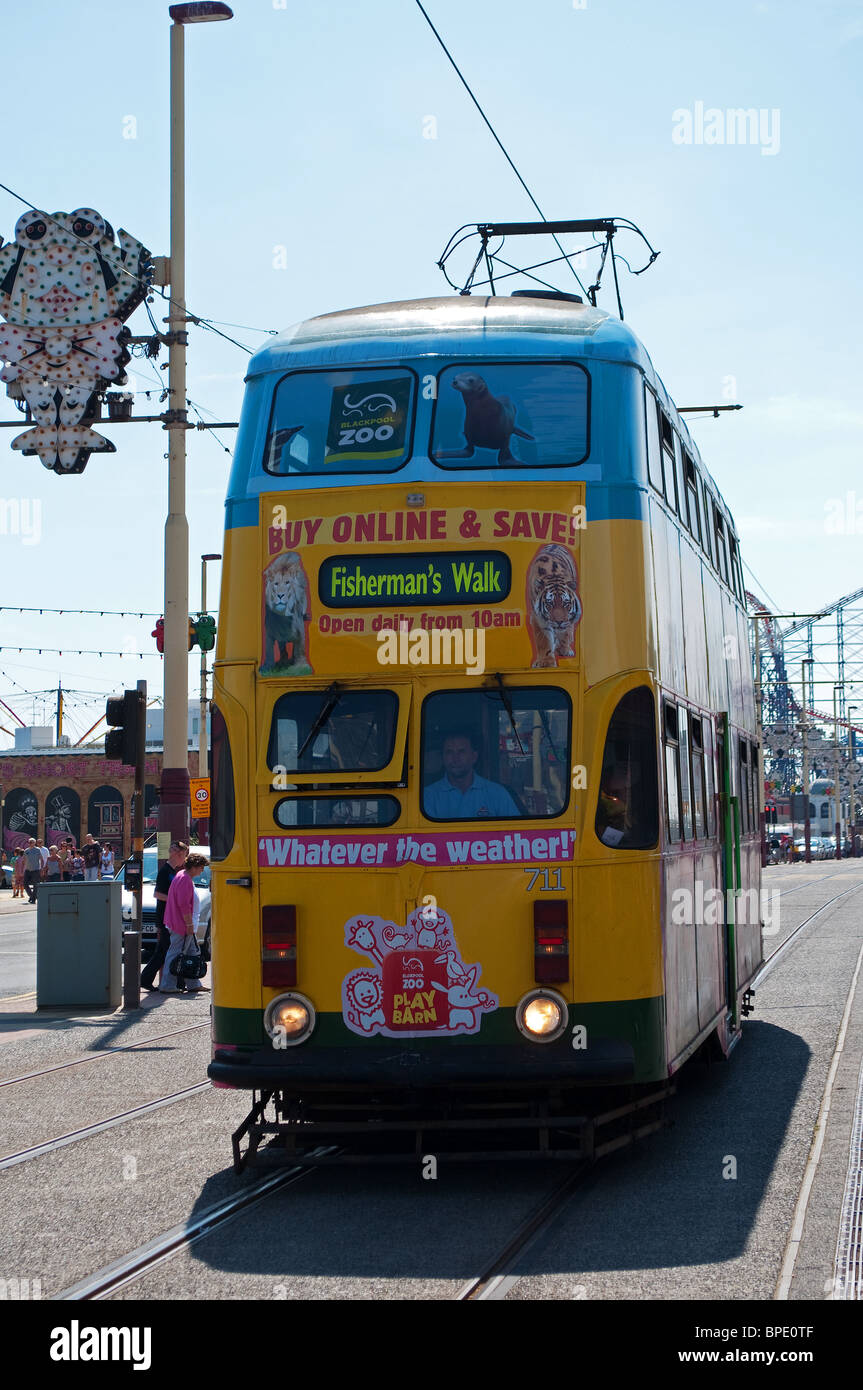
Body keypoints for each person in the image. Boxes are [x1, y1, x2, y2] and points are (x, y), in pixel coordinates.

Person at [423, 729, 519, 819]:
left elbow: (516, 832)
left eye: (461, 752)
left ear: (474, 756)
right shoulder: (428, 796)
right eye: (449, 752)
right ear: (443, 758)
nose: (455, 758)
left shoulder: (498, 793)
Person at [140, 841, 188, 993]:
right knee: (169, 950)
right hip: (165, 916)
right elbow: (157, 894)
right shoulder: (165, 871)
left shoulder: (172, 871)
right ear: (178, 854)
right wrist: (175, 900)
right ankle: (176, 982)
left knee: (164, 950)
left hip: (168, 916)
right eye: (184, 855)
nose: (184, 859)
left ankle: (147, 979)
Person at [160, 852, 208, 995]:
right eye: (201, 867)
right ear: (195, 867)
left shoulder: (182, 875)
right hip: (182, 924)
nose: (202, 870)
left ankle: (193, 983)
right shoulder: (185, 879)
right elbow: (183, 904)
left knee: (191, 953)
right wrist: (189, 925)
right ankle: (167, 985)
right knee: (175, 953)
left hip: (182, 923)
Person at [22, 838, 43, 903]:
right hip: (27, 870)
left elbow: (41, 860)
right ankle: (32, 896)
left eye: (32, 842)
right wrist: (23, 869)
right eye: (29, 842)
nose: (30, 843)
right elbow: (24, 861)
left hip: (35, 870)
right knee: (25, 884)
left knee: (35, 885)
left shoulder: (37, 850)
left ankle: (33, 899)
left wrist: (41, 868)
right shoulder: (26, 850)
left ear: (34, 843)